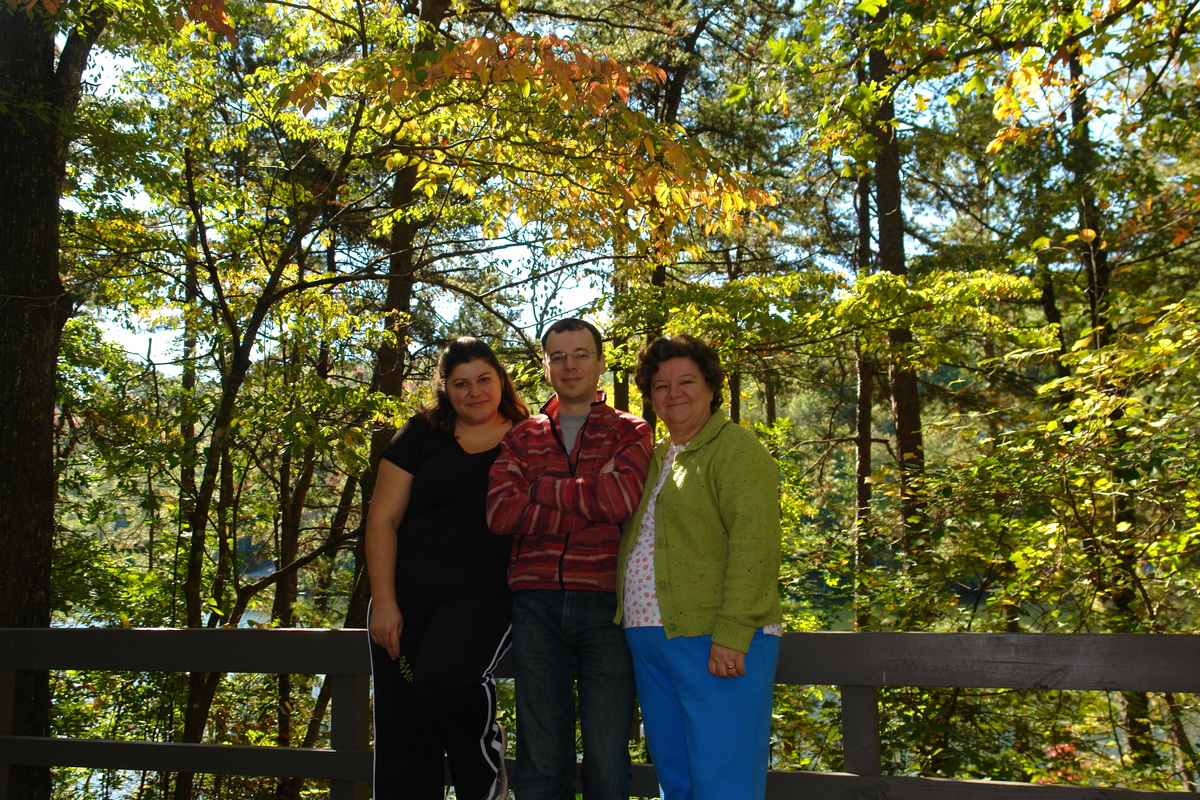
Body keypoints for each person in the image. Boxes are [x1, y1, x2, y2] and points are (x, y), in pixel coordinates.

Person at [487, 318, 653, 800]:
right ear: (545, 367)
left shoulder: (630, 429)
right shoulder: (522, 437)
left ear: (601, 362)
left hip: (604, 605)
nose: (570, 365)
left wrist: (538, 489)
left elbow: (619, 501)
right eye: (558, 356)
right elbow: (500, 513)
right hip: (534, 605)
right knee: (541, 758)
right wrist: (587, 499)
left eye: (581, 354)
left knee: (606, 757)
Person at [616, 333, 783, 800]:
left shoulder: (737, 451)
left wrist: (732, 633)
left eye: (686, 381)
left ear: (711, 387)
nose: (674, 394)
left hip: (717, 639)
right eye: (660, 386)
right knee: (677, 775)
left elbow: (756, 547)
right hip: (651, 638)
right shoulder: (654, 458)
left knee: (722, 776)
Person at [366, 336, 530, 800]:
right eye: (461, 383)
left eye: (484, 379)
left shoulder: (530, 434)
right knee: (405, 723)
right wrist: (385, 603)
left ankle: (486, 785)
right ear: (444, 387)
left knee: (449, 678)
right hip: (405, 603)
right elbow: (382, 519)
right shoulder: (420, 436)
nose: (474, 391)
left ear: (501, 380)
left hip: (485, 597)